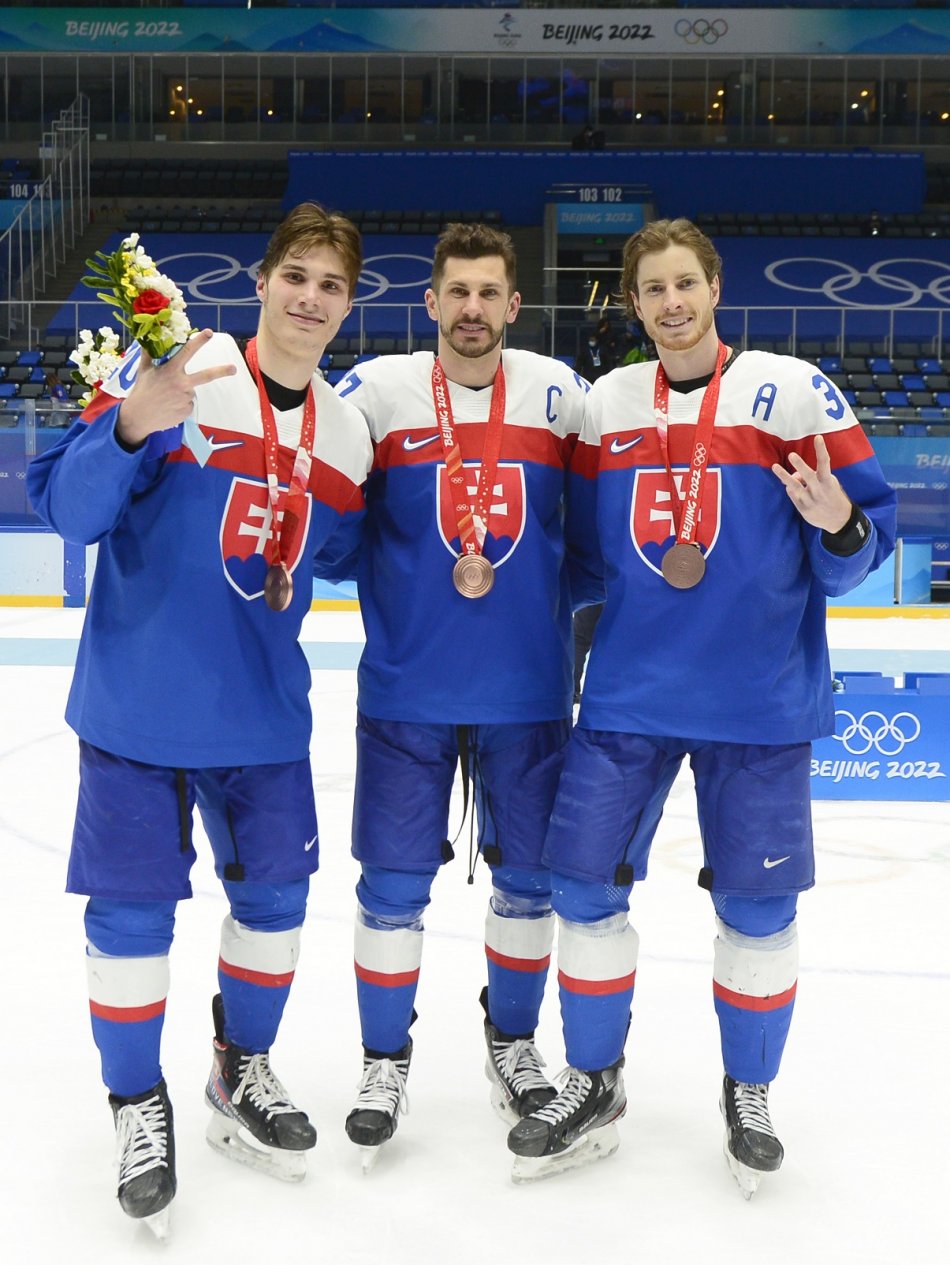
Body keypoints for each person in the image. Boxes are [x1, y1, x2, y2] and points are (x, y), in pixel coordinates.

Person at [506, 218, 897, 1195]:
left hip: (757, 703)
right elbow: (579, 554)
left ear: (715, 287)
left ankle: (748, 1091)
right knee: (582, 887)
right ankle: (593, 1080)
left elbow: (864, 543)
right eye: (652, 288)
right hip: (628, 696)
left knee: (757, 910)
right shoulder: (606, 403)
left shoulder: (792, 391)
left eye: (685, 282)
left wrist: (839, 524)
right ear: (632, 303)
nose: (671, 302)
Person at [26, 203, 372, 1238]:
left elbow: (343, 552)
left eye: (331, 284)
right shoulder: (182, 367)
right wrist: (132, 421)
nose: (310, 297)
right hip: (137, 707)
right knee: (132, 920)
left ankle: (239, 1069)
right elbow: (67, 509)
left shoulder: (348, 433)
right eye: (295, 275)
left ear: (349, 305)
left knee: (275, 906)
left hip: (261, 717)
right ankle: (138, 1102)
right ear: (261, 282)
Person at [331, 223, 589, 1168]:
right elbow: (334, 531)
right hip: (409, 690)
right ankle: (382, 1061)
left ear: (514, 305)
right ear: (430, 302)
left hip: (528, 690)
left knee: (529, 882)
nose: (472, 309)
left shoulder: (562, 394)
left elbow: (595, 538)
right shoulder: (375, 392)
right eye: (457, 292)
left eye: (489, 293)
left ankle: (513, 1045)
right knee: (392, 885)